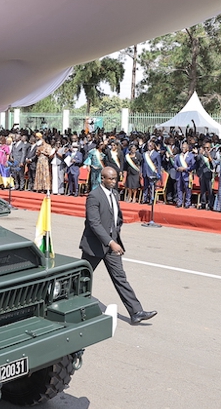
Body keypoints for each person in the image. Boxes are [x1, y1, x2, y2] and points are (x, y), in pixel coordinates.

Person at [80, 167, 156, 326]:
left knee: (120, 277)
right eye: (111, 179)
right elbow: (94, 223)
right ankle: (69, 304)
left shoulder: (114, 193)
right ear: (102, 178)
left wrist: (115, 236)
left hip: (111, 246)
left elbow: (116, 217)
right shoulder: (94, 196)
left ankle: (136, 312)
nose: (114, 182)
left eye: (115, 178)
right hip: (95, 246)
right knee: (82, 279)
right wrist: (110, 242)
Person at [172, 142, 195, 208]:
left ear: (187, 148)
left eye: (184, 147)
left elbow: (193, 166)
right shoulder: (178, 156)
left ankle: (187, 202)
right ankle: (179, 202)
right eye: (182, 147)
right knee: (179, 188)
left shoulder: (191, 156)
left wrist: (185, 169)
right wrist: (177, 168)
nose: (183, 148)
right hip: (179, 174)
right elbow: (174, 164)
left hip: (187, 175)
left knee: (187, 189)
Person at [140, 140, 162, 204]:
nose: (149, 147)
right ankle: (144, 199)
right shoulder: (144, 154)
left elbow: (159, 164)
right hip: (145, 172)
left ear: (153, 146)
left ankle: (151, 200)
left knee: (152, 186)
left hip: (152, 172)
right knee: (145, 186)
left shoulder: (156, 154)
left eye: (150, 145)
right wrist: (141, 171)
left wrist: (158, 173)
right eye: (148, 146)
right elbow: (142, 163)